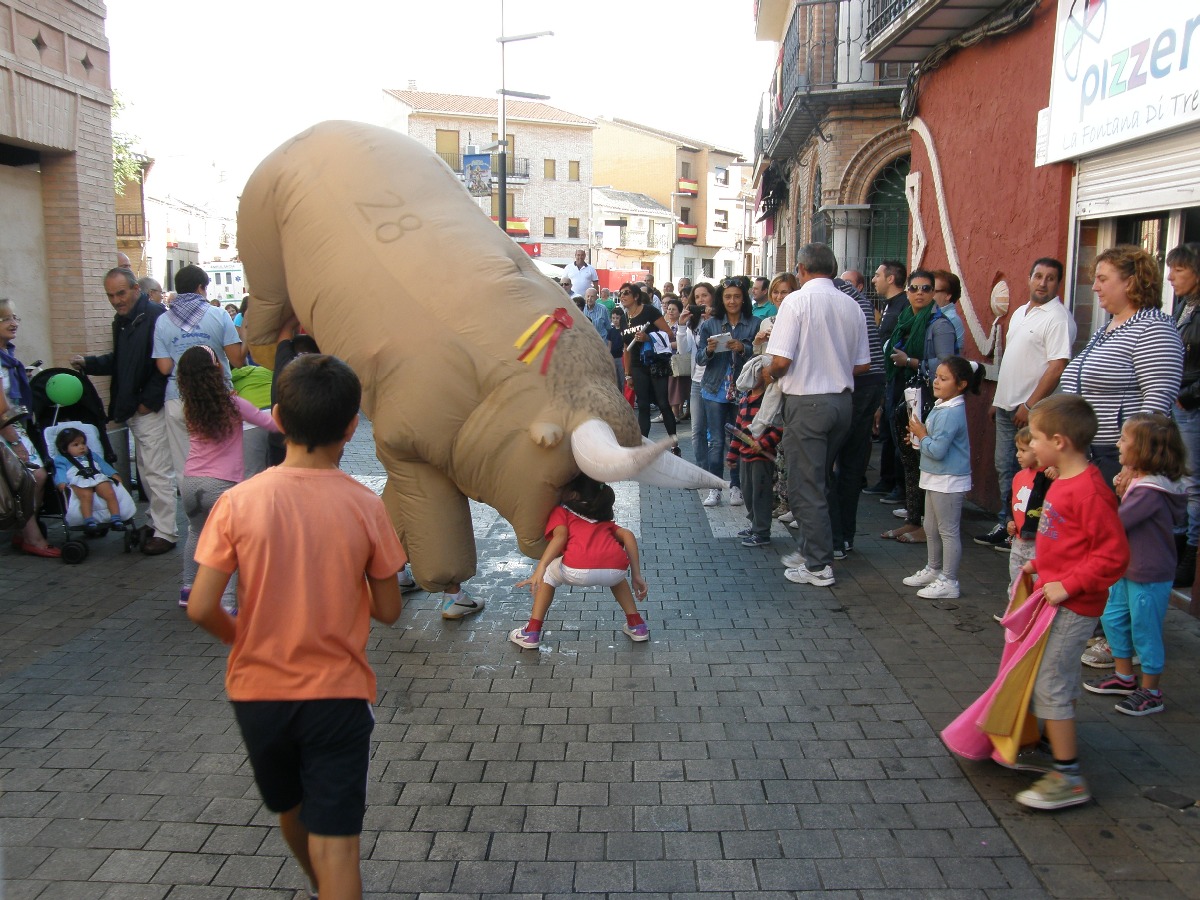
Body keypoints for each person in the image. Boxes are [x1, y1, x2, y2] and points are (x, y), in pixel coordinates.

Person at [187, 353, 406, 899]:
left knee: (289, 808)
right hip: (338, 694)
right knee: (340, 847)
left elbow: (201, 606)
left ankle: (319, 888)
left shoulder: (238, 502)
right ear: (353, 425)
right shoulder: (364, 505)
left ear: (279, 417)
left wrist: (244, 638)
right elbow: (389, 609)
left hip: (258, 694)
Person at [1012, 393, 1128, 811]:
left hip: (1075, 605)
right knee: (1051, 676)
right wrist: (1040, 564)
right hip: (1057, 594)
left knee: (1051, 682)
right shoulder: (1061, 479)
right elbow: (1070, 542)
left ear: (1059, 441)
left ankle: (1069, 776)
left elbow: (1113, 556)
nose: (1030, 445)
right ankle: (1052, 741)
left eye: (1037, 439)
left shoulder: (1090, 491)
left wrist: (1068, 584)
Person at [766, 243, 870, 587]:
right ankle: (817, 549)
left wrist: (764, 376)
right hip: (841, 401)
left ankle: (818, 564)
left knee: (805, 485)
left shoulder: (797, 301)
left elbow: (780, 361)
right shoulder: (851, 304)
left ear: (801, 269)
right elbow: (863, 364)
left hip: (808, 402)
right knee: (819, 480)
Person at [1083, 413, 1186, 717]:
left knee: (1145, 630)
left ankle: (1152, 691)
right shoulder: (1139, 482)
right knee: (1114, 619)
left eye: (1124, 439)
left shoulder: (1150, 491)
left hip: (1148, 574)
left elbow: (1115, 524)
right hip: (1127, 569)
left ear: (1145, 449)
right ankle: (1125, 676)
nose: (1117, 443)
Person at [1062, 246, 1183, 490]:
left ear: (1130, 282)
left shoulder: (1153, 329)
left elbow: (1157, 401)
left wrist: (1134, 463)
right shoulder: (1107, 330)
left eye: (1102, 279)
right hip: (1088, 454)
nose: (1095, 287)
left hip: (1117, 459)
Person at [73, 268, 175, 554]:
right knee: (146, 470)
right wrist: (89, 363)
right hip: (135, 407)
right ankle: (157, 523)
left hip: (148, 407)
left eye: (121, 293)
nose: (116, 300)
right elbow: (121, 361)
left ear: (135, 289)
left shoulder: (155, 316)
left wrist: (147, 401)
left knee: (156, 471)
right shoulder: (123, 320)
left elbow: (165, 364)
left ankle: (166, 531)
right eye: (110, 295)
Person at [976, 258, 1075, 551]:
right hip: (1007, 406)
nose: (1043, 283)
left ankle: (1024, 529)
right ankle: (1008, 523)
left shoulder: (1058, 318)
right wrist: (998, 399)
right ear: (1029, 278)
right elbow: (1010, 360)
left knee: (1033, 472)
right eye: (1039, 276)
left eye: (1051, 278)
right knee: (1006, 468)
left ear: (1058, 284)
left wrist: (1031, 405)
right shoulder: (1020, 313)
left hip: (1033, 413)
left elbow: (1057, 366)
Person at [176, 345, 280, 613]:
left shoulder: (188, 407)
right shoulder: (234, 404)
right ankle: (228, 602)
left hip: (190, 483)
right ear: (217, 370)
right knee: (230, 543)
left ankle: (188, 589)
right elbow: (270, 424)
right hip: (222, 485)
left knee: (196, 533)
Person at [509, 474, 648, 650]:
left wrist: (540, 569)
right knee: (617, 578)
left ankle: (532, 632)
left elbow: (560, 538)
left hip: (577, 569)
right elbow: (627, 535)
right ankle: (637, 625)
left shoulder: (562, 512)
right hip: (614, 570)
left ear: (573, 494)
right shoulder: (602, 518)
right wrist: (636, 575)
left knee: (549, 575)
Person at [881, 269, 957, 544]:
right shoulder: (906, 319)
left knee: (924, 462)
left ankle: (926, 526)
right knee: (910, 462)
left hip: (927, 401)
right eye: (914, 288)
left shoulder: (939, 324)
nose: (920, 293)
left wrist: (911, 362)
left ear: (934, 292)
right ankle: (913, 519)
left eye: (926, 288)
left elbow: (948, 365)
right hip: (905, 395)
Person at [902, 356, 985, 600]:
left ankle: (949, 579)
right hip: (935, 476)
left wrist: (923, 435)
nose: (936, 381)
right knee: (930, 526)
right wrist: (919, 439)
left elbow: (938, 450)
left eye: (943, 378)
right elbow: (933, 443)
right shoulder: (944, 405)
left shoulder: (952, 411)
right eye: (936, 376)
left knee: (947, 531)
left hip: (948, 479)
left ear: (961, 385)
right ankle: (934, 569)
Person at [153, 264, 246, 481]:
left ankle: (193, 511)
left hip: (177, 398)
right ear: (200, 288)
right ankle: (220, 511)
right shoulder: (219, 315)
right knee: (221, 462)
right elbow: (237, 360)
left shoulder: (163, 321)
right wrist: (247, 336)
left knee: (184, 466)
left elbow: (164, 367)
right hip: (216, 397)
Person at [829, 274, 886, 559]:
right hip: (870, 383)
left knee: (827, 462)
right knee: (851, 465)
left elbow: (858, 362)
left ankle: (835, 538)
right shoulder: (855, 298)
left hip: (853, 384)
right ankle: (845, 537)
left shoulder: (834, 296)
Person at [1, 298, 61, 557]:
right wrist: (14, 441)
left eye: (15, 317)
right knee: (32, 477)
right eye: (5, 319)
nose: (13, 323)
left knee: (35, 477)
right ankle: (31, 536)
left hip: (14, 426)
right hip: (6, 429)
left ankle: (25, 531)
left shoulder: (8, 355)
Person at [696, 278, 761, 507]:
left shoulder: (755, 323)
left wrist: (744, 348)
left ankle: (736, 486)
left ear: (743, 299)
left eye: (736, 296)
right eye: (727, 297)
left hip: (742, 391)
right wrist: (709, 350)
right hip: (714, 389)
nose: (732, 301)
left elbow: (761, 356)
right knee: (715, 440)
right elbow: (699, 358)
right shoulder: (710, 324)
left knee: (738, 440)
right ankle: (715, 488)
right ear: (721, 300)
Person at [1168, 242, 1200, 585]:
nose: (1171, 276)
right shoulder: (1184, 308)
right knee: (1177, 477)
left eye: (1179, 269)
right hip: (1179, 405)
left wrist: (1186, 396)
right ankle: (1176, 547)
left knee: (1192, 482)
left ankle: (1189, 556)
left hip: (1191, 408)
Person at [726, 358, 782, 547]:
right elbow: (738, 431)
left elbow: (778, 428)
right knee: (748, 493)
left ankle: (762, 531)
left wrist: (764, 443)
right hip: (745, 456)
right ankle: (755, 524)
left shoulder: (770, 402)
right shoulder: (744, 401)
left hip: (760, 457)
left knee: (760, 494)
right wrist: (732, 455)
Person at [865, 259, 908, 501]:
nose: (874, 279)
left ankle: (899, 485)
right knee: (887, 433)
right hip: (886, 378)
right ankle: (887, 480)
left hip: (898, 380)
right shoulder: (887, 305)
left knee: (896, 432)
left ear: (891, 278)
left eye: (878, 275)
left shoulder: (903, 306)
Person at [619, 283, 680, 452]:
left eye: (626, 293)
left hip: (656, 362)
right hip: (638, 365)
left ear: (636, 296)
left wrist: (648, 337)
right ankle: (642, 446)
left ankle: (675, 444)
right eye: (620, 293)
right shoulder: (624, 318)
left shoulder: (649, 311)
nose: (622, 296)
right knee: (643, 405)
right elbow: (626, 348)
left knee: (663, 403)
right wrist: (627, 374)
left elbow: (669, 334)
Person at [1002, 427, 1052, 620]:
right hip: (1019, 539)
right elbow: (1011, 502)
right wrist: (1009, 521)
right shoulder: (1019, 476)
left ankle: (1035, 616)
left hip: (1038, 542)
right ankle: (1015, 612)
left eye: (1023, 451)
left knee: (1037, 580)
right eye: (1017, 450)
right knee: (1016, 577)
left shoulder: (1047, 477)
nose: (1018, 455)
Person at [52, 427, 130, 534]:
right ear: (64, 449)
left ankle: (116, 518)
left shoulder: (92, 455)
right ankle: (89, 520)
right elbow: (60, 472)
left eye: (83, 443)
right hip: (78, 480)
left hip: (96, 477)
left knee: (109, 492)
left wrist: (113, 473)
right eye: (76, 445)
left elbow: (103, 465)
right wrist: (61, 482)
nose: (81, 447)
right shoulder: (62, 460)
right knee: (86, 495)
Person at [687, 282, 717, 475]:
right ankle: (701, 471)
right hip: (697, 380)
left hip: (716, 380)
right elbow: (685, 350)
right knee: (697, 430)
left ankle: (715, 471)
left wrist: (710, 321)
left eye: (704, 295)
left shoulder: (717, 320)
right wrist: (682, 326)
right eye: (697, 297)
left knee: (715, 432)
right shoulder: (692, 322)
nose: (701, 300)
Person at [663, 297, 691, 423]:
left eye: (674, 309)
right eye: (669, 309)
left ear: (680, 311)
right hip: (667, 359)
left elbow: (680, 344)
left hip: (677, 359)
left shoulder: (679, 326)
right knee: (671, 387)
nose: (670, 311)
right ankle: (675, 413)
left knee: (675, 387)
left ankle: (675, 414)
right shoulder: (666, 324)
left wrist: (665, 345)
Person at [931, 270, 964, 353]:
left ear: (948, 295)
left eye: (933, 291)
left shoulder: (949, 319)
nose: (927, 294)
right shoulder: (931, 313)